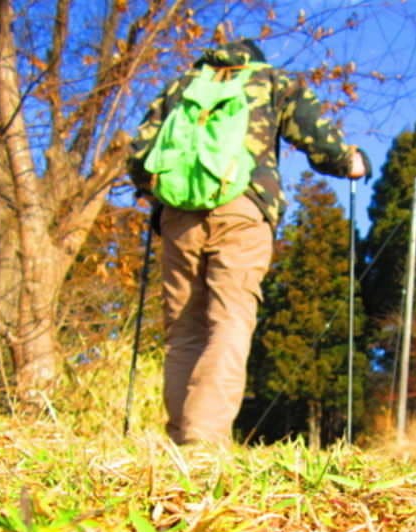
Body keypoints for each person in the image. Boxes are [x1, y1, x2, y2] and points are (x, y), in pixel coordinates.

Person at [128, 38, 368, 448]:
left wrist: (154, 195)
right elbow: (317, 137)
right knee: (230, 320)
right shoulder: (273, 80)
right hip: (243, 208)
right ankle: (202, 441)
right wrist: (350, 161)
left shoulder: (181, 87)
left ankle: (178, 437)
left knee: (184, 330)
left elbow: (139, 158)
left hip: (178, 216)